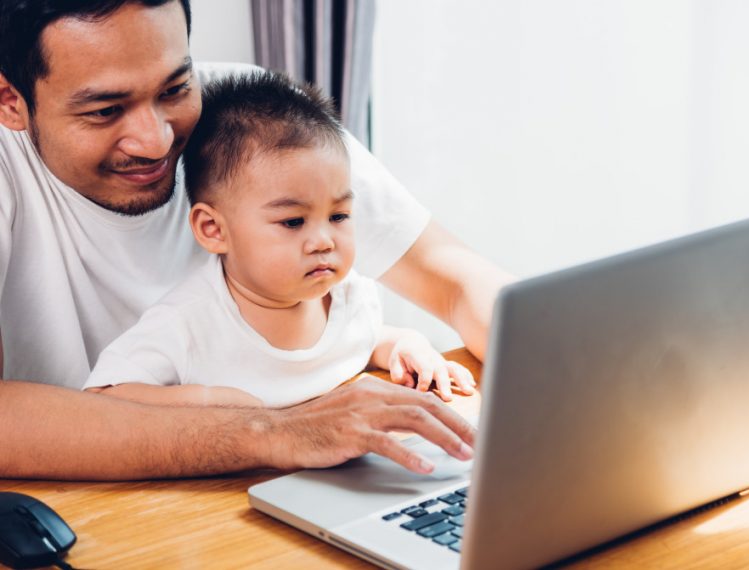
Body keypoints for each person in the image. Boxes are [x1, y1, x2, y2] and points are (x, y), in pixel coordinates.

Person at [0, 0, 512, 479]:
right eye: (104, 111)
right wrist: (271, 431)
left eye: (175, 88)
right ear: (11, 102)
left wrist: (566, 374)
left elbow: (454, 278)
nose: (156, 141)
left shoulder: (251, 123)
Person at [83, 71, 476, 407]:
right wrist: (205, 402)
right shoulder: (186, 324)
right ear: (213, 229)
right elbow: (102, 398)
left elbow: (364, 341)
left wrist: (406, 346)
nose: (323, 240)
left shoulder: (349, 296)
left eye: (338, 216)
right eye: (292, 222)